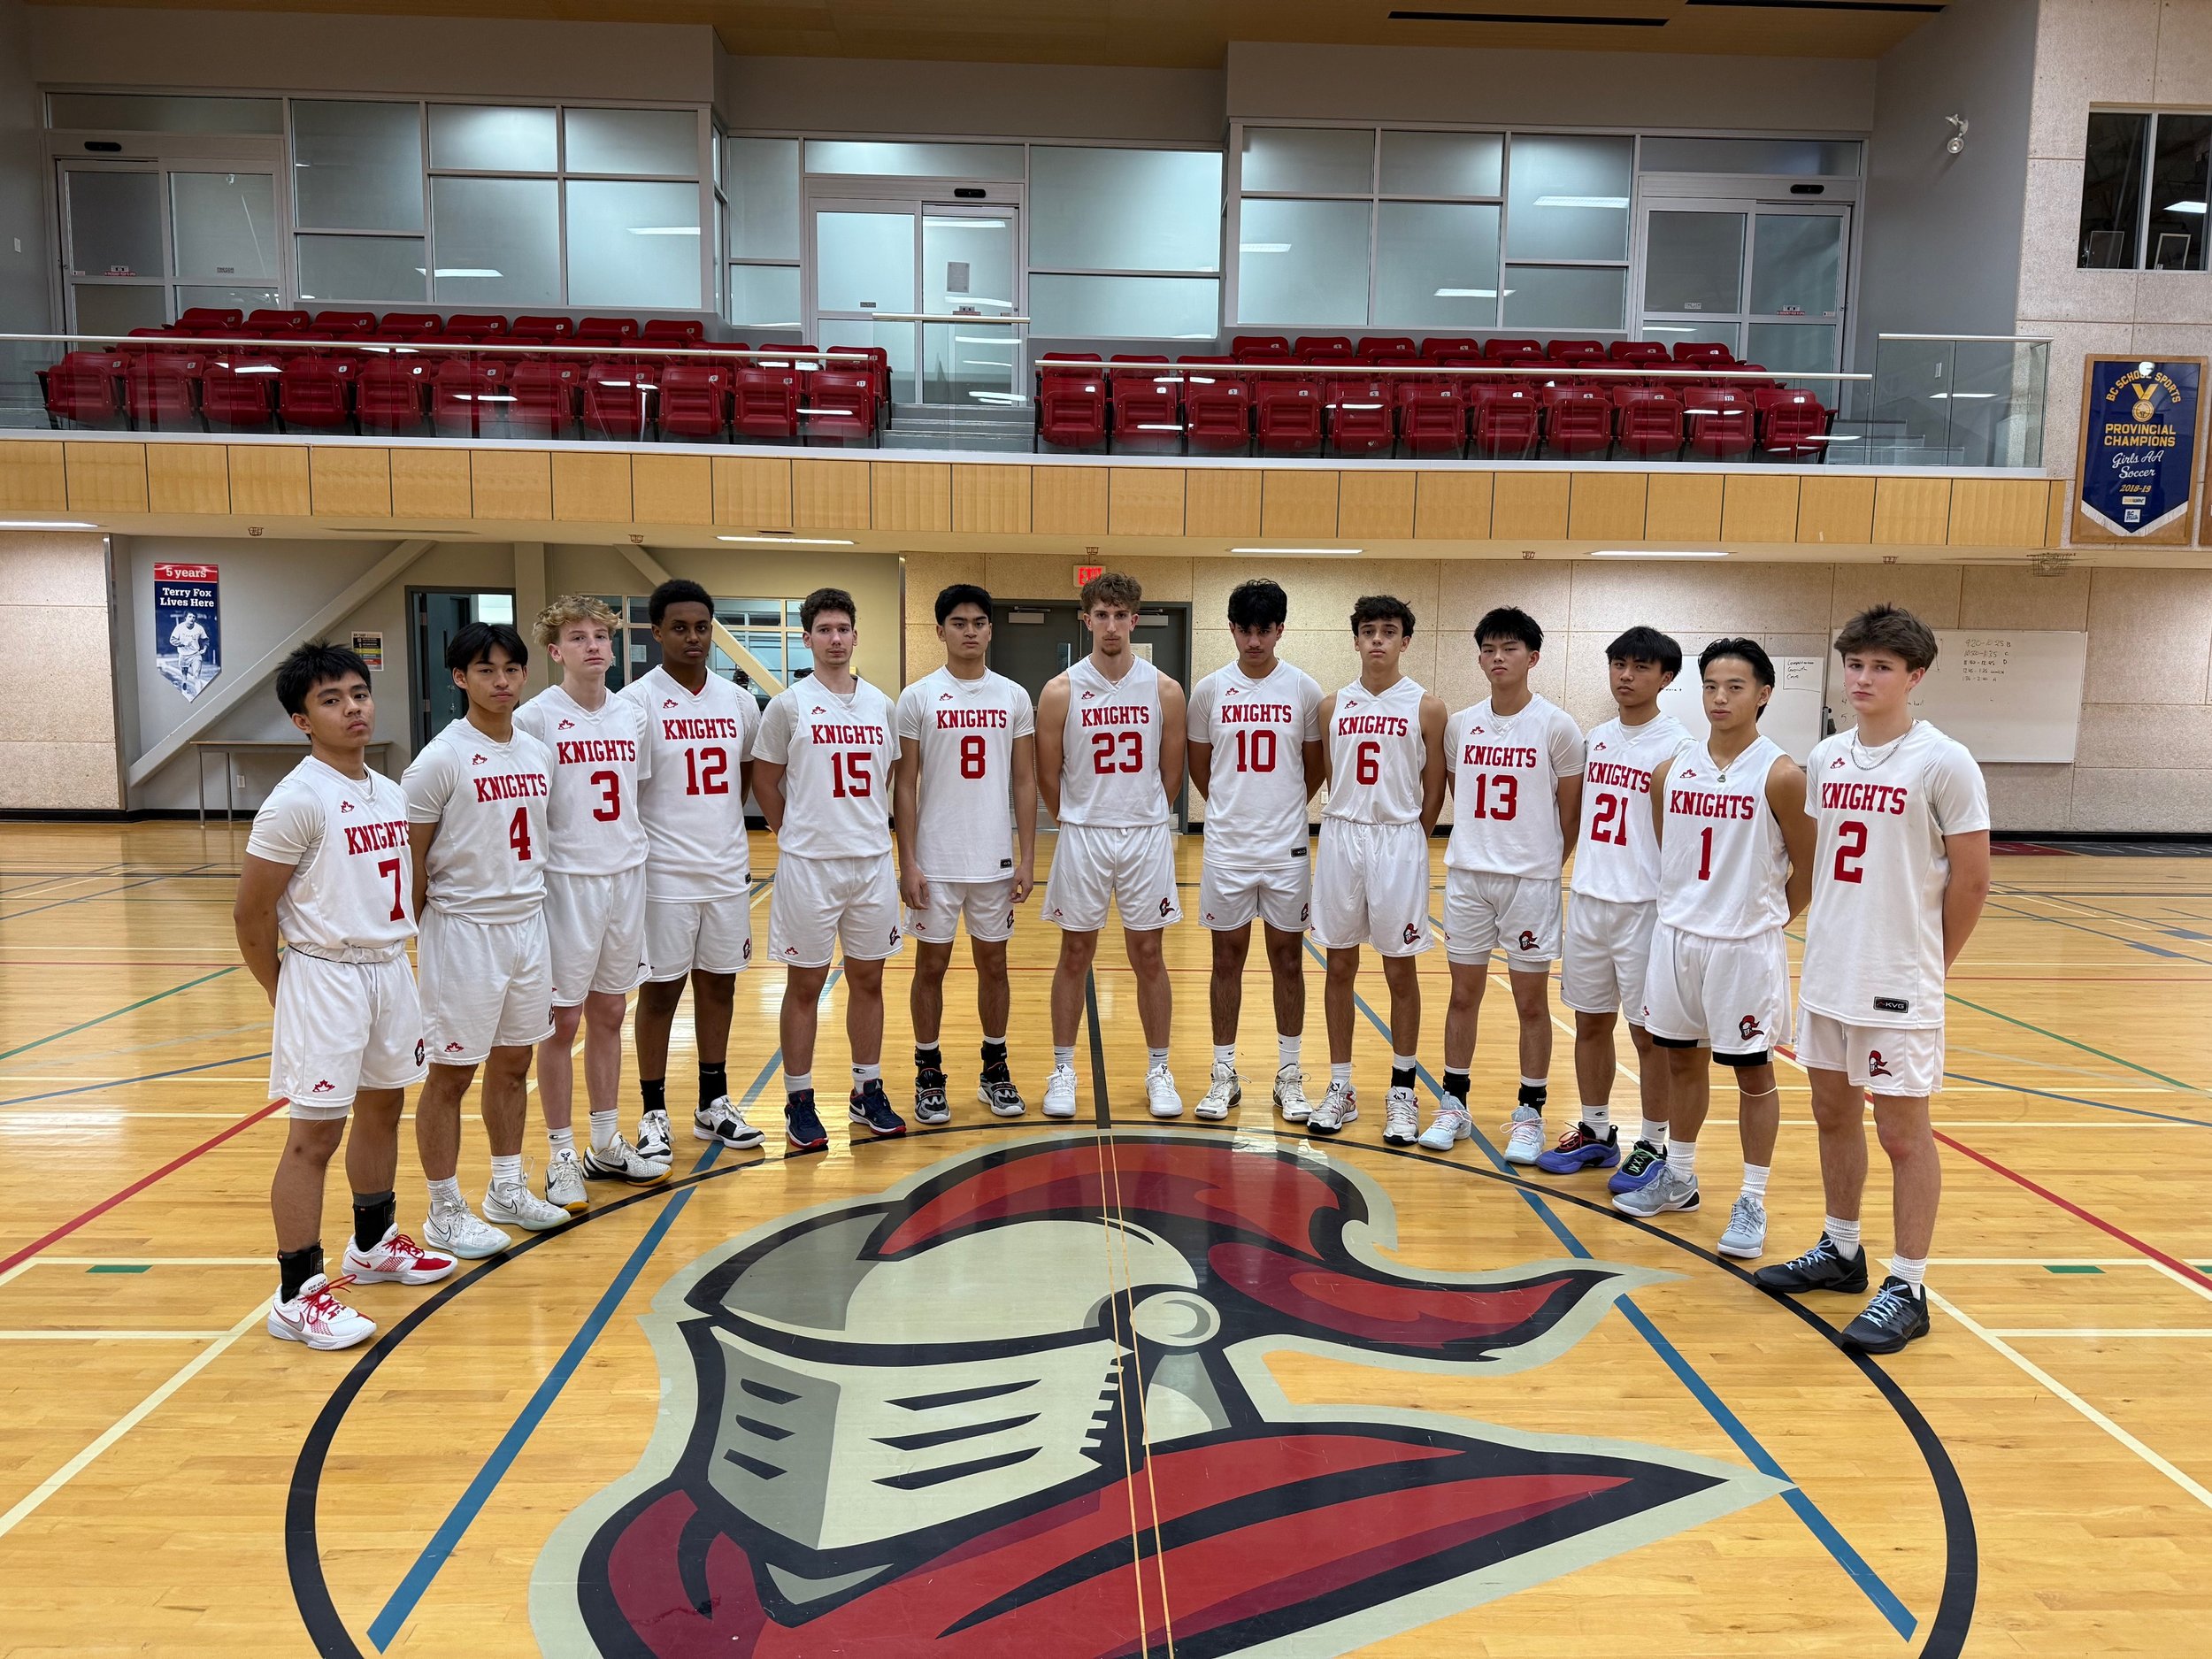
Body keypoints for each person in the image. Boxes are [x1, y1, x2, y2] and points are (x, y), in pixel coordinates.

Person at [1755, 605, 1989, 1355]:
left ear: (1915, 676)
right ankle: (1841, 1247)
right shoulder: (1826, 758)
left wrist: (1929, 968)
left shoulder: (1944, 761)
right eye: (1854, 664)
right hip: (1830, 967)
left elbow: (1973, 880)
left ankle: (1909, 1285)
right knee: (1831, 1112)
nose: (1862, 678)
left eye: (1881, 666)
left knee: (1902, 1134)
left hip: (1898, 979)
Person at [239, 641, 454, 1350]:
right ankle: (296, 1294)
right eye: (330, 700)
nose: (352, 708)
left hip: (388, 967)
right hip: (324, 972)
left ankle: (373, 1243)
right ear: (302, 720)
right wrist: (284, 991)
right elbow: (251, 914)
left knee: (384, 1107)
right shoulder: (296, 801)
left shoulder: (388, 791)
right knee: (314, 1136)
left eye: (358, 693)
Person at [1617, 640, 1815, 1263]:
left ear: (1763, 694)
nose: (1720, 698)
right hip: (1677, 937)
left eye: (1735, 686)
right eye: (1710, 686)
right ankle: (1679, 1176)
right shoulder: (1669, 771)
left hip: (1744, 948)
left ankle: (1752, 1198)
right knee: (1680, 1063)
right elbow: (1670, 850)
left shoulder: (1781, 774)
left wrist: (1758, 920)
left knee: (1754, 1074)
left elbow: (1807, 869)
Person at [401, 620, 571, 1258]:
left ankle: (506, 1188)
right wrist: (416, 939)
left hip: (527, 924)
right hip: (463, 930)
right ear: (459, 677)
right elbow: (413, 863)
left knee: (514, 1064)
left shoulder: (537, 752)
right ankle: (444, 1208)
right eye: (486, 670)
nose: (501, 681)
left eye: (511, 669)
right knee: (450, 1074)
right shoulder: (439, 759)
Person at [511, 595, 669, 1214]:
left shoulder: (633, 714)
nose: (594, 646)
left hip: (625, 876)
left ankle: (605, 1143)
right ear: (555, 651)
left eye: (601, 635)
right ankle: (559, 1154)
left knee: (610, 1011)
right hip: (565, 882)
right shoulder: (534, 719)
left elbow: (638, 792)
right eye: (578, 637)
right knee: (562, 1020)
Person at [752, 587, 907, 1150]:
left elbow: (885, 778)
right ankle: (799, 1098)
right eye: (824, 630)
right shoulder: (789, 706)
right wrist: (791, 831)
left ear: (855, 636)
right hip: (809, 868)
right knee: (805, 985)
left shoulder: (881, 705)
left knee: (869, 980)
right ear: (808, 638)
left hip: (870, 862)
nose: (835, 639)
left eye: (843, 629)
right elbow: (765, 781)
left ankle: (867, 1089)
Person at [1429, 607, 1584, 1158]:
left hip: (1531, 883)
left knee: (1531, 1003)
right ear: (1479, 658)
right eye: (1489, 649)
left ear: (1533, 657)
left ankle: (1530, 1112)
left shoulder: (1557, 727)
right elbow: (1458, 792)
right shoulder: (1460, 724)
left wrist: (1540, 863)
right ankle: (1453, 1104)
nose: (1498, 658)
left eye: (1510, 648)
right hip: (1469, 876)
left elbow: (1570, 814)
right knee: (1462, 995)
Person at [1036, 571, 1188, 1121]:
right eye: (1101, 615)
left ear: (1135, 620)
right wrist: (1080, 816)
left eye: (1121, 615)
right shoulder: (1060, 691)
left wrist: (1139, 811)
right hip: (1084, 834)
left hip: (1145, 835)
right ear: (1086, 620)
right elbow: (1048, 774)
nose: (1111, 626)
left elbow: (1171, 774)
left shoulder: (1165, 690)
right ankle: (1062, 1069)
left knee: (1149, 954)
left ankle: (1159, 1069)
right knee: (1075, 953)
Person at [619, 579, 760, 1164]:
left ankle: (712, 1101)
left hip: (726, 871)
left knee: (720, 985)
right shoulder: (635, 703)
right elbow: (629, 793)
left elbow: (744, 780)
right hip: (664, 877)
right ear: (657, 632)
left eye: (702, 627)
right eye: (679, 628)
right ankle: (653, 1110)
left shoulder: (739, 702)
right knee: (659, 993)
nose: (693, 637)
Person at [1541, 627, 1685, 1186]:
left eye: (1641, 667)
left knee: (1648, 1034)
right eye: (1619, 664)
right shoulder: (1596, 738)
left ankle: (1653, 1142)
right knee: (1590, 1021)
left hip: (1645, 907)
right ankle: (1597, 1132)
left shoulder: (1679, 746)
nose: (1626, 676)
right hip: (1590, 899)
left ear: (1666, 678)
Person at [892, 583, 1038, 1125]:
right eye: (958, 622)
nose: (969, 631)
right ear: (940, 631)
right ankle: (928, 1071)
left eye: (978, 622)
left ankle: (994, 1068)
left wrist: (1027, 857)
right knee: (930, 966)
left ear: (990, 630)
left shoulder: (1013, 696)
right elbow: (905, 784)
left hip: (993, 860)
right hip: (935, 860)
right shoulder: (918, 697)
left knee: (994, 965)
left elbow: (1024, 781)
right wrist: (908, 860)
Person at [1307, 595, 1448, 1140]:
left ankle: (1402, 1089)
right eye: (1369, 631)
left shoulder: (1427, 707)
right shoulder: (1331, 706)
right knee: (1338, 966)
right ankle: (1340, 1086)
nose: (1378, 640)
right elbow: (1329, 774)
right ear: (1356, 640)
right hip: (1342, 835)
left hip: (1398, 839)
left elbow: (1434, 788)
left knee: (1399, 970)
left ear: (1405, 641)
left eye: (1389, 631)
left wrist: (1412, 836)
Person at [1187, 578, 1324, 1122]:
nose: (1254, 641)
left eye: (1264, 630)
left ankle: (1289, 1074)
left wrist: (1280, 809)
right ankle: (1224, 1073)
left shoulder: (1304, 690)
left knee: (1288, 961)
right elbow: (1201, 768)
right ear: (1231, 629)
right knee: (1226, 960)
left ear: (1280, 630)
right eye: (1244, 630)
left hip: (1286, 849)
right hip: (1227, 848)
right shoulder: (1209, 691)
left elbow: (1313, 769)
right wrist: (1233, 810)